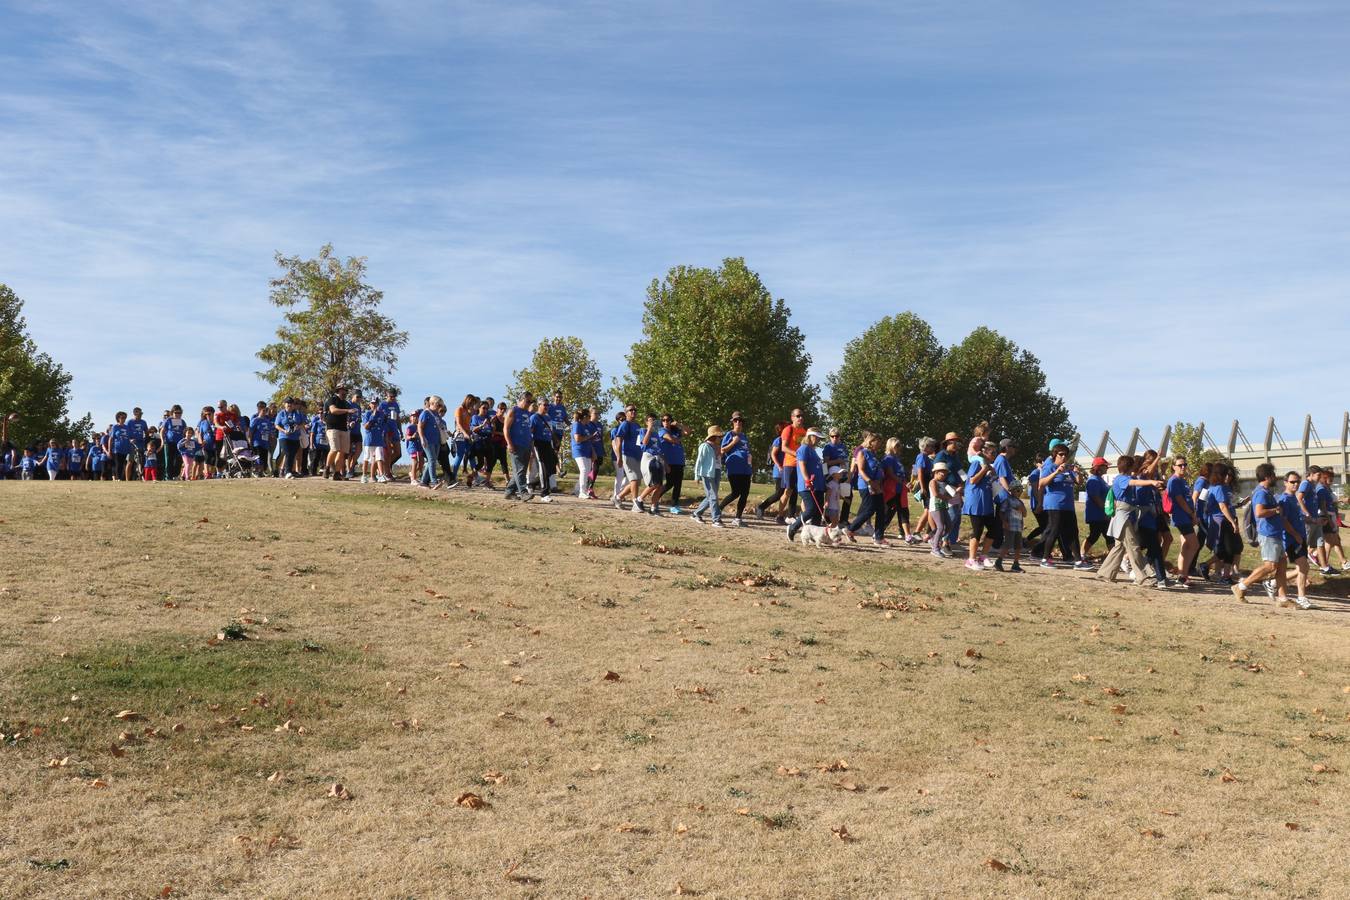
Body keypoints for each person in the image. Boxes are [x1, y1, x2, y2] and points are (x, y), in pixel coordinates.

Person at [1097, 455, 1164, 587]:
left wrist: (1152, 476)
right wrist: (1151, 482)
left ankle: (1105, 573)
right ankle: (1144, 577)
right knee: (1133, 546)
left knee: (1119, 547)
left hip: (1126, 515)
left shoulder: (1127, 477)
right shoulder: (1122, 479)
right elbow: (1133, 483)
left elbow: (1141, 477)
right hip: (1123, 516)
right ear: (1130, 466)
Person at [1232, 463, 1294, 604]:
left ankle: (1283, 598)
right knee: (1270, 566)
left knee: (1282, 566)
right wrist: (1275, 510)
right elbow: (1259, 513)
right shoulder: (1261, 492)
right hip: (1268, 534)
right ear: (1267, 476)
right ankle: (1241, 586)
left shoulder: (1266, 492)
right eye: (1273, 475)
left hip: (1275, 533)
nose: (1275, 478)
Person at [1035, 443, 1087, 569]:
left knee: (1073, 532)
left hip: (1068, 505)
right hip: (1055, 505)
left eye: (1065, 455)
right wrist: (1056, 472)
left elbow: (1078, 482)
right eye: (1061, 454)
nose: (1063, 457)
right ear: (1055, 455)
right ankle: (1044, 558)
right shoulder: (1049, 467)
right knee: (1054, 530)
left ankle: (1078, 561)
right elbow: (1041, 484)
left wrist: (1077, 473)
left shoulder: (1068, 469)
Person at [1278, 471, 1316, 609]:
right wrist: (1295, 535)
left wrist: (1314, 521)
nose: (1295, 484)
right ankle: (1301, 597)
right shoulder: (1285, 499)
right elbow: (1284, 520)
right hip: (1292, 539)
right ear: (1285, 483)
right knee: (1302, 566)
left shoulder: (1294, 498)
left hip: (1300, 537)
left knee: (1304, 567)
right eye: (1292, 482)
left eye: (1297, 482)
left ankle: (1272, 583)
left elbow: (1298, 517)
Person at [962, 439, 998, 570]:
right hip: (976, 501)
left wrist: (992, 473)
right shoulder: (977, 462)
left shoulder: (990, 465)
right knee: (977, 530)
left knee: (994, 529)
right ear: (984, 452)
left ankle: (983, 556)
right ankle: (971, 560)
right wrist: (984, 469)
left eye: (995, 452)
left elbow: (992, 482)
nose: (994, 455)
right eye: (992, 452)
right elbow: (972, 480)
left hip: (987, 502)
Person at [845, 432, 887, 546]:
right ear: (871, 441)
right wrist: (870, 483)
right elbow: (861, 470)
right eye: (877, 441)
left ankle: (879, 537)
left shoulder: (873, 454)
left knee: (881, 510)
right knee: (869, 510)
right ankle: (850, 529)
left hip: (877, 486)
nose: (879, 444)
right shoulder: (862, 453)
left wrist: (878, 485)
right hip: (866, 485)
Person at [787, 429, 826, 542]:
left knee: (818, 512)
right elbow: (802, 465)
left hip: (818, 486)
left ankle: (814, 535)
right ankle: (793, 527)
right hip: (807, 486)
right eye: (817, 437)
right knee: (811, 509)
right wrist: (807, 480)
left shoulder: (813, 450)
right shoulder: (803, 449)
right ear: (810, 436)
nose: (818, 440)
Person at [1166, 457, 1199, 587]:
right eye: (1180, 465)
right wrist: (1191, 514)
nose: (1183, 467)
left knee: (1186, 545)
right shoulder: (1173, 481)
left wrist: (1193, 514)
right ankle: (1183, 575)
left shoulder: (1182, 480)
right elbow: (1180, 500)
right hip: (1181, 517)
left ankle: (1182, 575)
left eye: (1185, 464)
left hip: (1186, 516)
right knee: (1194, 544)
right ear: (1173, 466)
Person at [718, 412, 753, 527]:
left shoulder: (744, 436)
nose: (738, 422)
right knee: (735, 493)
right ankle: (718, 509)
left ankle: (738, 518)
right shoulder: (729, 434)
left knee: (745, 493)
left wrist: (749, 457)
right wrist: (733, 442)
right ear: (732, 422)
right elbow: (722, 450)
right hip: (734, 468)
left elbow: (746, 449)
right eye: (735, 420)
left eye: (740, 420)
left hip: (746, 469)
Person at [933, 432, 964, 552]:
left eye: (958, 442)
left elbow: (960, 471)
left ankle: (951, 541)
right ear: (947, 443)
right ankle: (943, 542)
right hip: (946, 488)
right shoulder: (941, 455)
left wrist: (963, 484)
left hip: (957, 489)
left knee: (957, 516)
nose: (956, 445)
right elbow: (938, 475)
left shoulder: (955, 456)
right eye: (954, 442)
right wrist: (952, 489)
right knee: (951, 516)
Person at [691, 425, 725, 527]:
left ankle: (696, 513)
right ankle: (716, 519)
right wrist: (696, 475)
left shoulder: (717, 447)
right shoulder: (704, 446)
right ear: (714, 436)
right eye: (719, 437)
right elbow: (699, 460)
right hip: (707, 474)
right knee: (713, 496)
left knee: (710, 496)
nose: (721, 438)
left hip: (717, 472)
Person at [504, 393, 535, 501]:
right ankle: (523, 492)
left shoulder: (527, 413)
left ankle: (509, 492)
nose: (529, 404)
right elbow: (506, 429)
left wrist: (532, 448)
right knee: (520, 470)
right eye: (528, 401)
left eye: (531, 401)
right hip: (516, 445)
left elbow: (528, 431)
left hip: (526, 445)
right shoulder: (513, 411)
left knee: (520, 471)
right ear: (521, 400)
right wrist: (509, 443)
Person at [926, 460, 962, 557]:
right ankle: (935, 548)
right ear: (936, 472)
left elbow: (952, 493)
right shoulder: (933, 482)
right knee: (940, 527)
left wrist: (958, 491)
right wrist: (948, 498)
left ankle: (934, 539)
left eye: (945, 473)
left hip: (943, 507)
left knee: (949, 525)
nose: (944, 475)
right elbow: (936, 494)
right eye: (942, 473)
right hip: (935, 507)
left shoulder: (945, 484)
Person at [755, 423, 789, 521]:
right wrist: (779, 466)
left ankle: (786, 515)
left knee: (787, 492)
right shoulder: (778, 440)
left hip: (788, 470)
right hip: (779, 471)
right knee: (779, 493)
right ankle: (761, 507)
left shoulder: (788, 441)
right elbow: (773, 454)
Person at [323, 387, 358, 481]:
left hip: (343, 428)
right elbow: (333, 410)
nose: (345, 392)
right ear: (338, 391)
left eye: (346, 390)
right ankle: (326, 468)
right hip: (332, 428)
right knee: (334, 449)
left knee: (342, 451)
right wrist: (347, 411)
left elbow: (348, 415)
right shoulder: (332, 399)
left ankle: (337, 473)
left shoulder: (346, 403)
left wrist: (350, 421)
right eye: (342, 390)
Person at [1081, 457, 1112, 562]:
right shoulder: (1093, 480)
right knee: (1094, 535)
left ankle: (1115, 559)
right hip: (1096, 514)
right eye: (1105, 466)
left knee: (1108, 535)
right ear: (1098, 468)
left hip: (1102, 515)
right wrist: (1106, 510)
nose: (1107, 468)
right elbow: (1095, 497)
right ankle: (1081, 554)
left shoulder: (1100, 479)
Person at [611, 405, 642, 509]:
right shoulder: (625, 424)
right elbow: (619, 440)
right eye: (630, 410)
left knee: (637, 481)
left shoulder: (637, 425)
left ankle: (618, 497)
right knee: (633, 479)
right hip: (628, 455)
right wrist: (619, 457)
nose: (633, 411)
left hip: (637, 456)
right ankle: (635, 503)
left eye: (635, 410)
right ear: (626, 413)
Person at [637, 413, 668, 515]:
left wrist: (666, 464)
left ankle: (653, 508)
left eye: (654, 420)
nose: (653, 422)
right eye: (650, 420)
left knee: (660, 486)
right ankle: (639, 499)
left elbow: (660, 450)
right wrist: (649, 429)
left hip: (658, 459)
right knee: (654, 483)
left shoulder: (658, 434)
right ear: (646, 422)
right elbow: (644, 444)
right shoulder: (643, 431)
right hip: (648, 458)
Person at [530, 399, 557, 502]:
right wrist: (531, 448)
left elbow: (550, 431)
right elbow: (530, 433)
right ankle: (544, 493)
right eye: (544, 405)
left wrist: (554, 441)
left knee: (550, 467)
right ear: (539, 405)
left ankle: (532, 483)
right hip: (538, 444)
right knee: (543, 467)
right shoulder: (534, 417)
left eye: (548, 405)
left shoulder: (548, 417)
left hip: (547, 443)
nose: (546, 407)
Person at [416, 395, 444, 490]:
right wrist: (422, 438)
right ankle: (433, 481)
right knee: (432, 460)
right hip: (428, 440)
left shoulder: (436, 414)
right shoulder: (425, 413)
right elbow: (420, 427)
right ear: (432, 403)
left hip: (436, 440)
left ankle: (423, 481)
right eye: (438, 404)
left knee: (432, 461)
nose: (440, 407)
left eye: (441, 405)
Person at [659, 416, 686, 514]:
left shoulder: (675, 431)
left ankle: (675, 505)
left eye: (668, 420)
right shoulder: (661, 431)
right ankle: (656, 497)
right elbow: (671, 439)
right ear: (661, 422)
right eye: (664, 420)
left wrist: (678, 424)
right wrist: (679, 439)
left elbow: (688, 431)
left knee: (678, 484)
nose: (666, 422)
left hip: (679, 461)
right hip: (669, 461)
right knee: (670, 483)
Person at [274, 398, 305, 479]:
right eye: (287, 403)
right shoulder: (281, 413)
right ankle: (287, 472)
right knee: (287, 453)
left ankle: (289, 471)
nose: (289, 404)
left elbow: (303, 423)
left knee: (292, 455)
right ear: (284, 404)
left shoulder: (298, 413)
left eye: (291, 403)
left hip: (295, 437)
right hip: (284, 437)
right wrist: (284, 431)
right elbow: (276, 425)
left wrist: (298, 426)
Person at [571, 409, 595, 499]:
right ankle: (582, 491)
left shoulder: (587, 426)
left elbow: (589, 439)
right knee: (584, 469)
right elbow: (577, 439)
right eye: (589, 416)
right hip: (579, 450)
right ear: (584, 417)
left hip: (587, 451)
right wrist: (590, 436)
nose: (590, 418)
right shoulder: (577, 424)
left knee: (587, 471)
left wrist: (593, 452)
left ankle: (578, 490)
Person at [1004, 483, 1027, 572]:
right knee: (1008, 544)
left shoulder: (1020, 502)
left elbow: (1024, 514)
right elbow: (1002, 512)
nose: (1020, 492)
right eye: (1017, 490)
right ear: (1011, 491)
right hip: (1010, 526)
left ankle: (1016, 564)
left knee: (1018, 546)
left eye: (1021, 490)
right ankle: (999, 561)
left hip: (1018, 527)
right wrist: (1004, 522)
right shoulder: (1008, 501)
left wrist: (1021, 509)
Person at [160, 406, 186, 479]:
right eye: (176, 412)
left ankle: (175, 475)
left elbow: (185, 432)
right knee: (168, 460)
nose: (178, 414)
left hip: (179, 444)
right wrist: (162, 440)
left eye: (179, 413)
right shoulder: (168, 420)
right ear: (172, 413)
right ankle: (168, 476)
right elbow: (162, 431)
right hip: (169, 443)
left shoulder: (182, 421)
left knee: (178, 460)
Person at [106, 412, 131, 481]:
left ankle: (120, 478)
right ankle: (117, 478)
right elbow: (110, 439)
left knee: (123, 464)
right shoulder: (115, 427)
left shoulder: (127, 427)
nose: (123, 419)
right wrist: (109, 450)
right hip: (117, 449)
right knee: (118, 464)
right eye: (122, 418)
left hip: (125, 448)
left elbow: (129, 437)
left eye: (125, 418)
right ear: (118, 418)